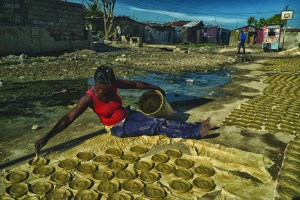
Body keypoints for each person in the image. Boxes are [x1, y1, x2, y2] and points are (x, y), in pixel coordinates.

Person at [35, 66, 211, 153]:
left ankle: (195, 126)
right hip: (117, 127)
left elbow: (135, 84)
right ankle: (196, 132)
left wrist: (155, 86)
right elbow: (68, 119)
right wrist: (47, 137)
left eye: (110, 86)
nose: (108, 90)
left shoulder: (111, 85)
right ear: (97, 83)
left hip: (128, 114)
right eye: (104, 88)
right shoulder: (88, 98)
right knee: (155, 127)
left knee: (161, 121)